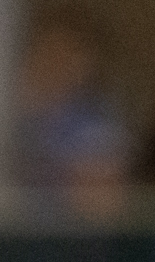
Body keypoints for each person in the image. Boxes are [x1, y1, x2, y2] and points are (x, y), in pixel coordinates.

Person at [15, 8, 127, 220]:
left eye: (67, 55)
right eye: (49, 54)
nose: (57, 65)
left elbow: (101, 200)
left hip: (72, 241)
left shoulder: (95, 122)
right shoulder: (23, 119)